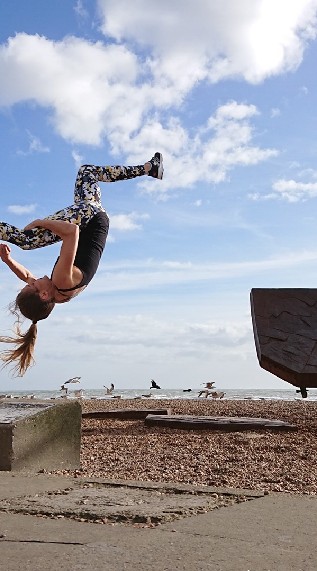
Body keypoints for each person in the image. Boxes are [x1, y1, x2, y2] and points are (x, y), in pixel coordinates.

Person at [0, 153, 164, 376]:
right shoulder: (61, 280)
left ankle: (149, 168)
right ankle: (148, 169)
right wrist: (40, 222)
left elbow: (26, 275)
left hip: (92, 215)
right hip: (89, 219)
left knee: (87, 172)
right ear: (44, 295)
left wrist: (9, 260)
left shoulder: (57, 293)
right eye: (34, 285)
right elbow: (71, 232)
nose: (34, 280)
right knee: (25, 240)